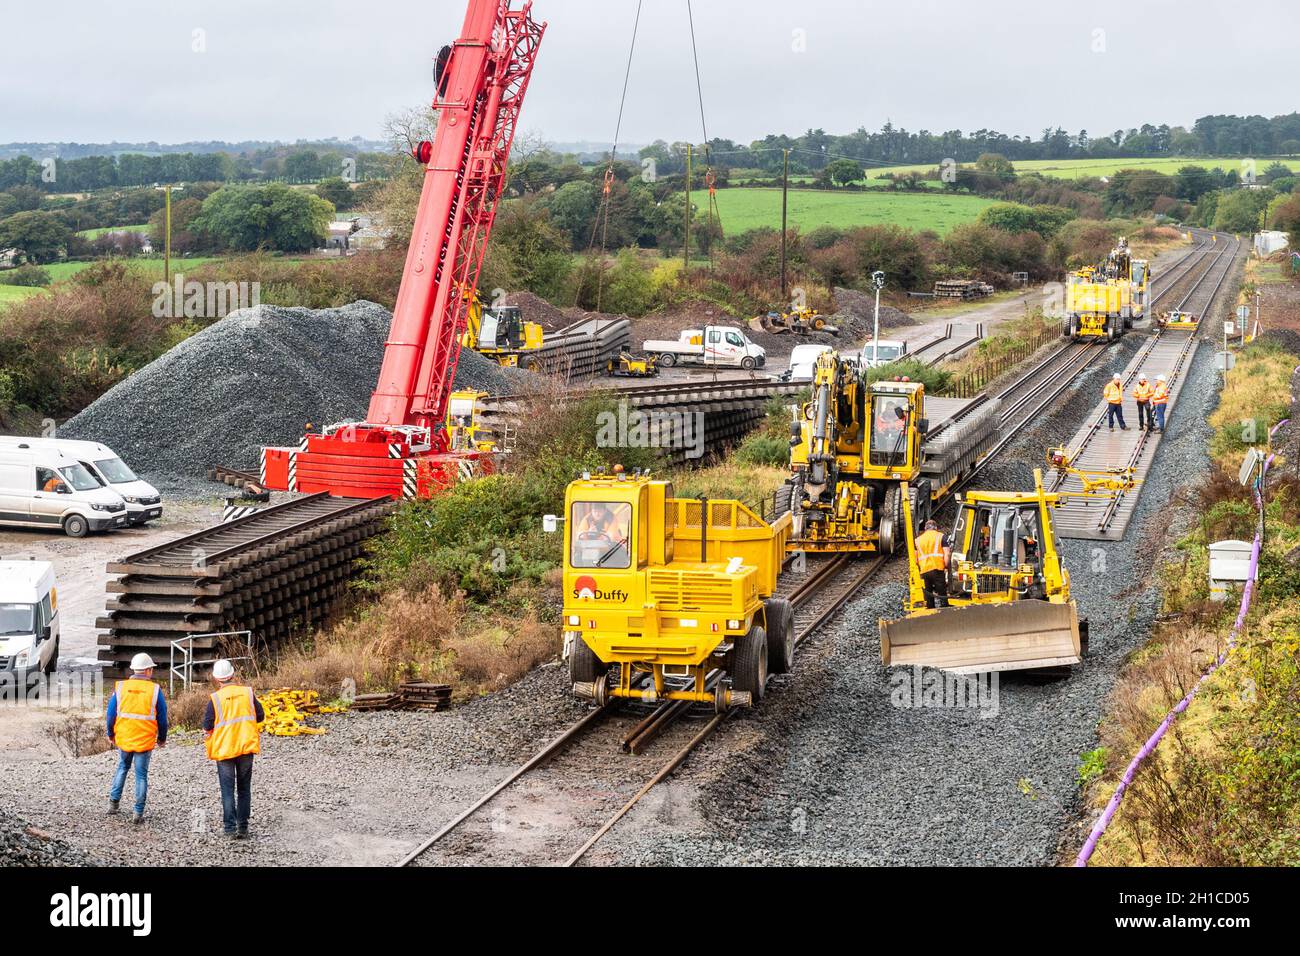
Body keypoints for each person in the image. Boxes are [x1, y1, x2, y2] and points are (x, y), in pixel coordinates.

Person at [203, 659, 264, 839]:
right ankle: (243, 827)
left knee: (227, 789)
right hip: (246, 747)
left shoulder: (215, 699)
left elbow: (207, 726)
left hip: (225, 750)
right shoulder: (247, 693)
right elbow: (260, 716)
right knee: (244, 789)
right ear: (233, 674)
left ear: (216, 678)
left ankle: (230, 828)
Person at [106, 652, 167, 824]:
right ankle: (138, 812)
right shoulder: (155, 690)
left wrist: (111, 734)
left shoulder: (120, 687)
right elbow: (162, 718)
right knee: (141, 775)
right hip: (145, 740)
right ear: (148, 671)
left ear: (133, 669)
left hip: (125, 737)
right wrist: (162, 738)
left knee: (122, 768)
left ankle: (113, 804)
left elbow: (110, 714)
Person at [914, 518, 951, 610]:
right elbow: (947, 553)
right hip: (937, 568)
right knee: (942, 593)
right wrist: (946, 566)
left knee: (928, 594)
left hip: (924, 571)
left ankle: (930, 612)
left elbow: (916, 559)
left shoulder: (918, 540)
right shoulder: (940, 536)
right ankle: (945, 611)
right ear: (936, 528)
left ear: (925, 529)